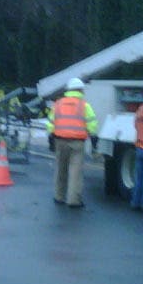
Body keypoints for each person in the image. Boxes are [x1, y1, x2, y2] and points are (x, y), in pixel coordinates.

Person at [48, 77, 98, 208]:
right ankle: (73, 200)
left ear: (68, 90)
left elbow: (50, 124)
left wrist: (51, 138)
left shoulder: (58, 104)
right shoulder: (84, 105)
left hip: (60, 140)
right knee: (75, 171)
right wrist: (94, 141)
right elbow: (92, 125)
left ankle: (59, 196)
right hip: (77, 143)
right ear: (80, 90)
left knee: (60, 169)